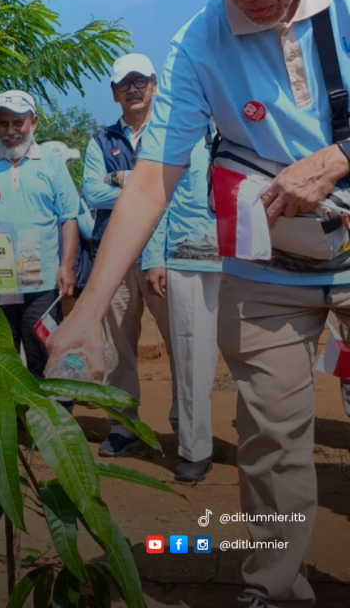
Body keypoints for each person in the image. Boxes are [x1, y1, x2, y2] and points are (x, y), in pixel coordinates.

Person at [47, 0, 350, 608]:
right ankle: (274, 590)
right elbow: (152, 180)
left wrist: (338, 157)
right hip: (267, 270)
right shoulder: (198, 46)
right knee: (271, 438)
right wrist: (85, 314)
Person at [83, 53, 177, 457]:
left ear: (154, 85)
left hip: (168, 256)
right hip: (116, 257)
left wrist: (122, 178)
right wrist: (147, 189)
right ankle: (123, 427)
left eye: (141, 81)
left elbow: (180, 190)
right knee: (119, 346)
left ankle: (187, 427)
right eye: (125, 83)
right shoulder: (100, 141)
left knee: (181, 344)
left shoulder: (175, 132)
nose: (133, 89)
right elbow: (92, 192)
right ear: (114, 93)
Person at [0, 90, 80, 377]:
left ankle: (52, 418)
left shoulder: (51, 165)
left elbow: (68, 218)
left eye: (18, 123)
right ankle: (12, 420)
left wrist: (67, 266)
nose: (10, 131)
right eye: (3, 124)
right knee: (1, 356)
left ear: (33, 123)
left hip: (43, 281)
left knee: (44, 351)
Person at [141, 132, 222, 482]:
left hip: (252, 260)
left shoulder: (248, 124)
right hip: (188, 259)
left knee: (260, 360)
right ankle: (195, 448)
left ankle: (266, 447)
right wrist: (154, 257)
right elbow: (159, 198)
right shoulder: (179, 135)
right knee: (191, 357)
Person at [39, 140, 96, 304]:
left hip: (42, 275)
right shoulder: (70, 195)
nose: (71, 166)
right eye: (68, 162)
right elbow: (89, 231)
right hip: (70, 274)